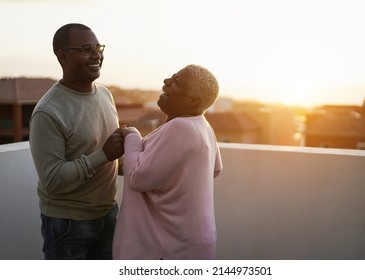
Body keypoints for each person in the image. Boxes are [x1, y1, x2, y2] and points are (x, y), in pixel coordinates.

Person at [29, 23, 124, 260]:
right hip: (68, 224)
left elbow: (107, 154)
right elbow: (53, 179)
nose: (96, 55)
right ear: (63, 56)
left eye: (98, 47)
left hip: (108, 214)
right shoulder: (48, 111)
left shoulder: (105, 94)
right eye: (86, 48)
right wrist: (105, 154)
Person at [113, 64, 223, 259]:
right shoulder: (203, 125)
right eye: (172, 77)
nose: (166, 82)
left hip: (169, 247)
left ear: (192, 101)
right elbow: (215, 169)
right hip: (191, 242)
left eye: (176, 82)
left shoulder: (181, 127)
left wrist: (132, 136)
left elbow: (136, 177)